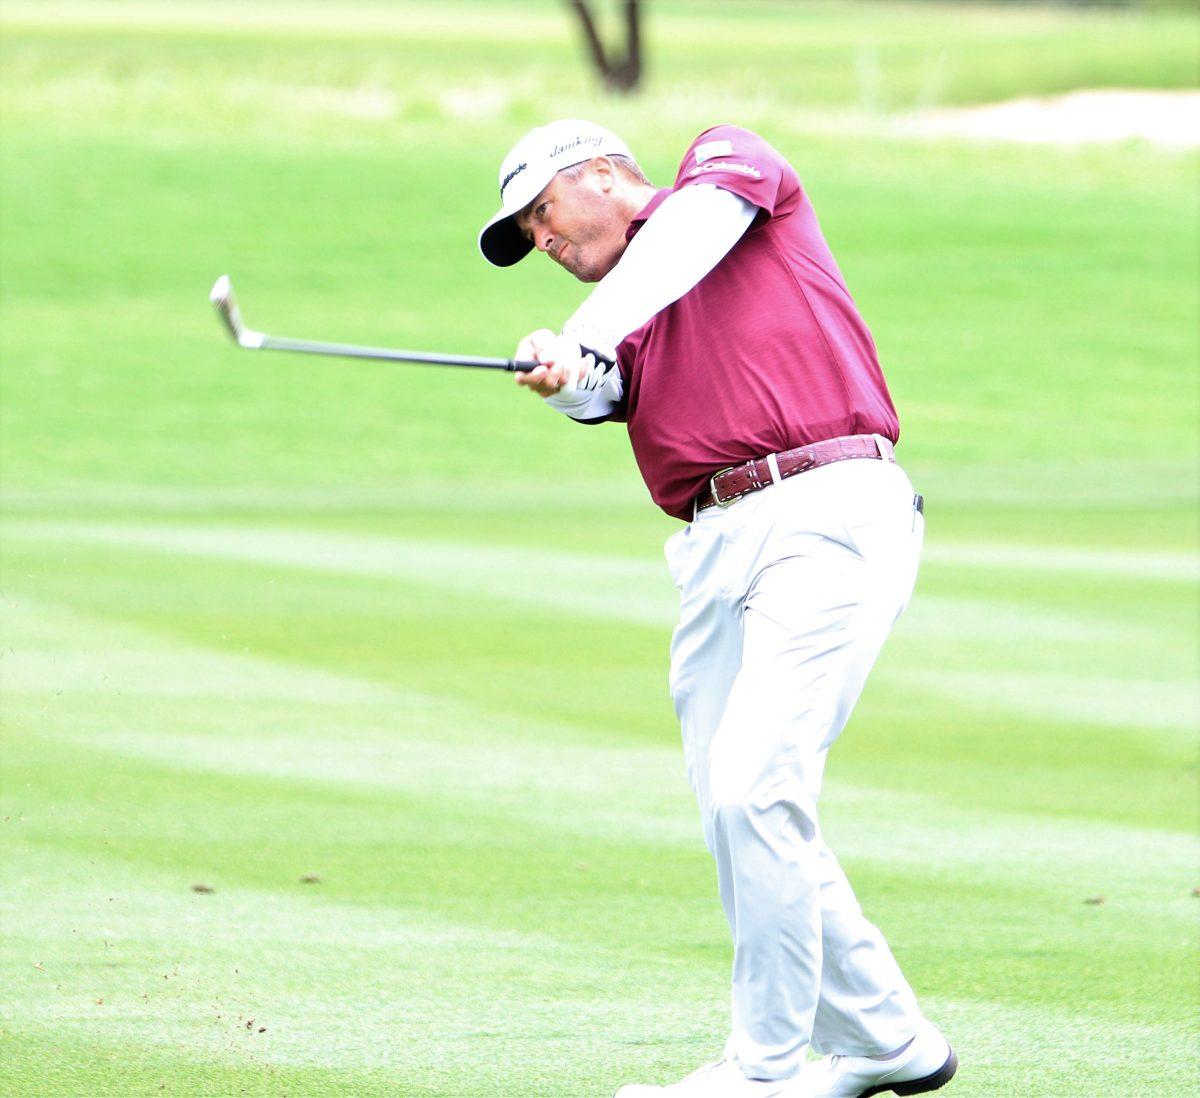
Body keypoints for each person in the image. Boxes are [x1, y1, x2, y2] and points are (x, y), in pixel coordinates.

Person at [477, 119, 958, 1098]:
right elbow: (605, 389)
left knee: (753, 788)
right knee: (739, 808)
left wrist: (583, 334)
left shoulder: (725, 174)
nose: (543, 241)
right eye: (527, 234)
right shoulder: (627, 316)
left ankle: (767, 1072)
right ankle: (884, 1039)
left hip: (824, 504)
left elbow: (687, 236)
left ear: (605, 173)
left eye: (542, 213)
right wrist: (563, 373)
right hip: (711, 543)